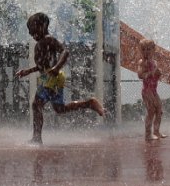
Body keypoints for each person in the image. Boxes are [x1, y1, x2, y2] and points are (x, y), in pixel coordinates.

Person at [14, 12, 104, 144]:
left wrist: (57, 67)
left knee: (36, 105)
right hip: (49, 76)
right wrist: (28, 71)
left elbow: (64, 51)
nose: (30, 33)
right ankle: (88, 103)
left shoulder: (48, 39)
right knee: (59, 109)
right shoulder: (41, 43)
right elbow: (43, 66)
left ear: (42, 26)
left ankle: (37, 138)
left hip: (52, 77)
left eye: (31, 28)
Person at [137, 38, 166, 140]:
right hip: (147, 90)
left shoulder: (154, 62)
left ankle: (156, 132)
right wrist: (151, 73)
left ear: (154, 50)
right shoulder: (142, 62)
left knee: (159, 110)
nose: (146, 52)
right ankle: (148, 134)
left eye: (148, 49)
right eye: (143, 50)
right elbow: (140, 75)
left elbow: (156, 76)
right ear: (140, 51)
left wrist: (158, 74)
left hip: (154, 90)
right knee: (151, 110)